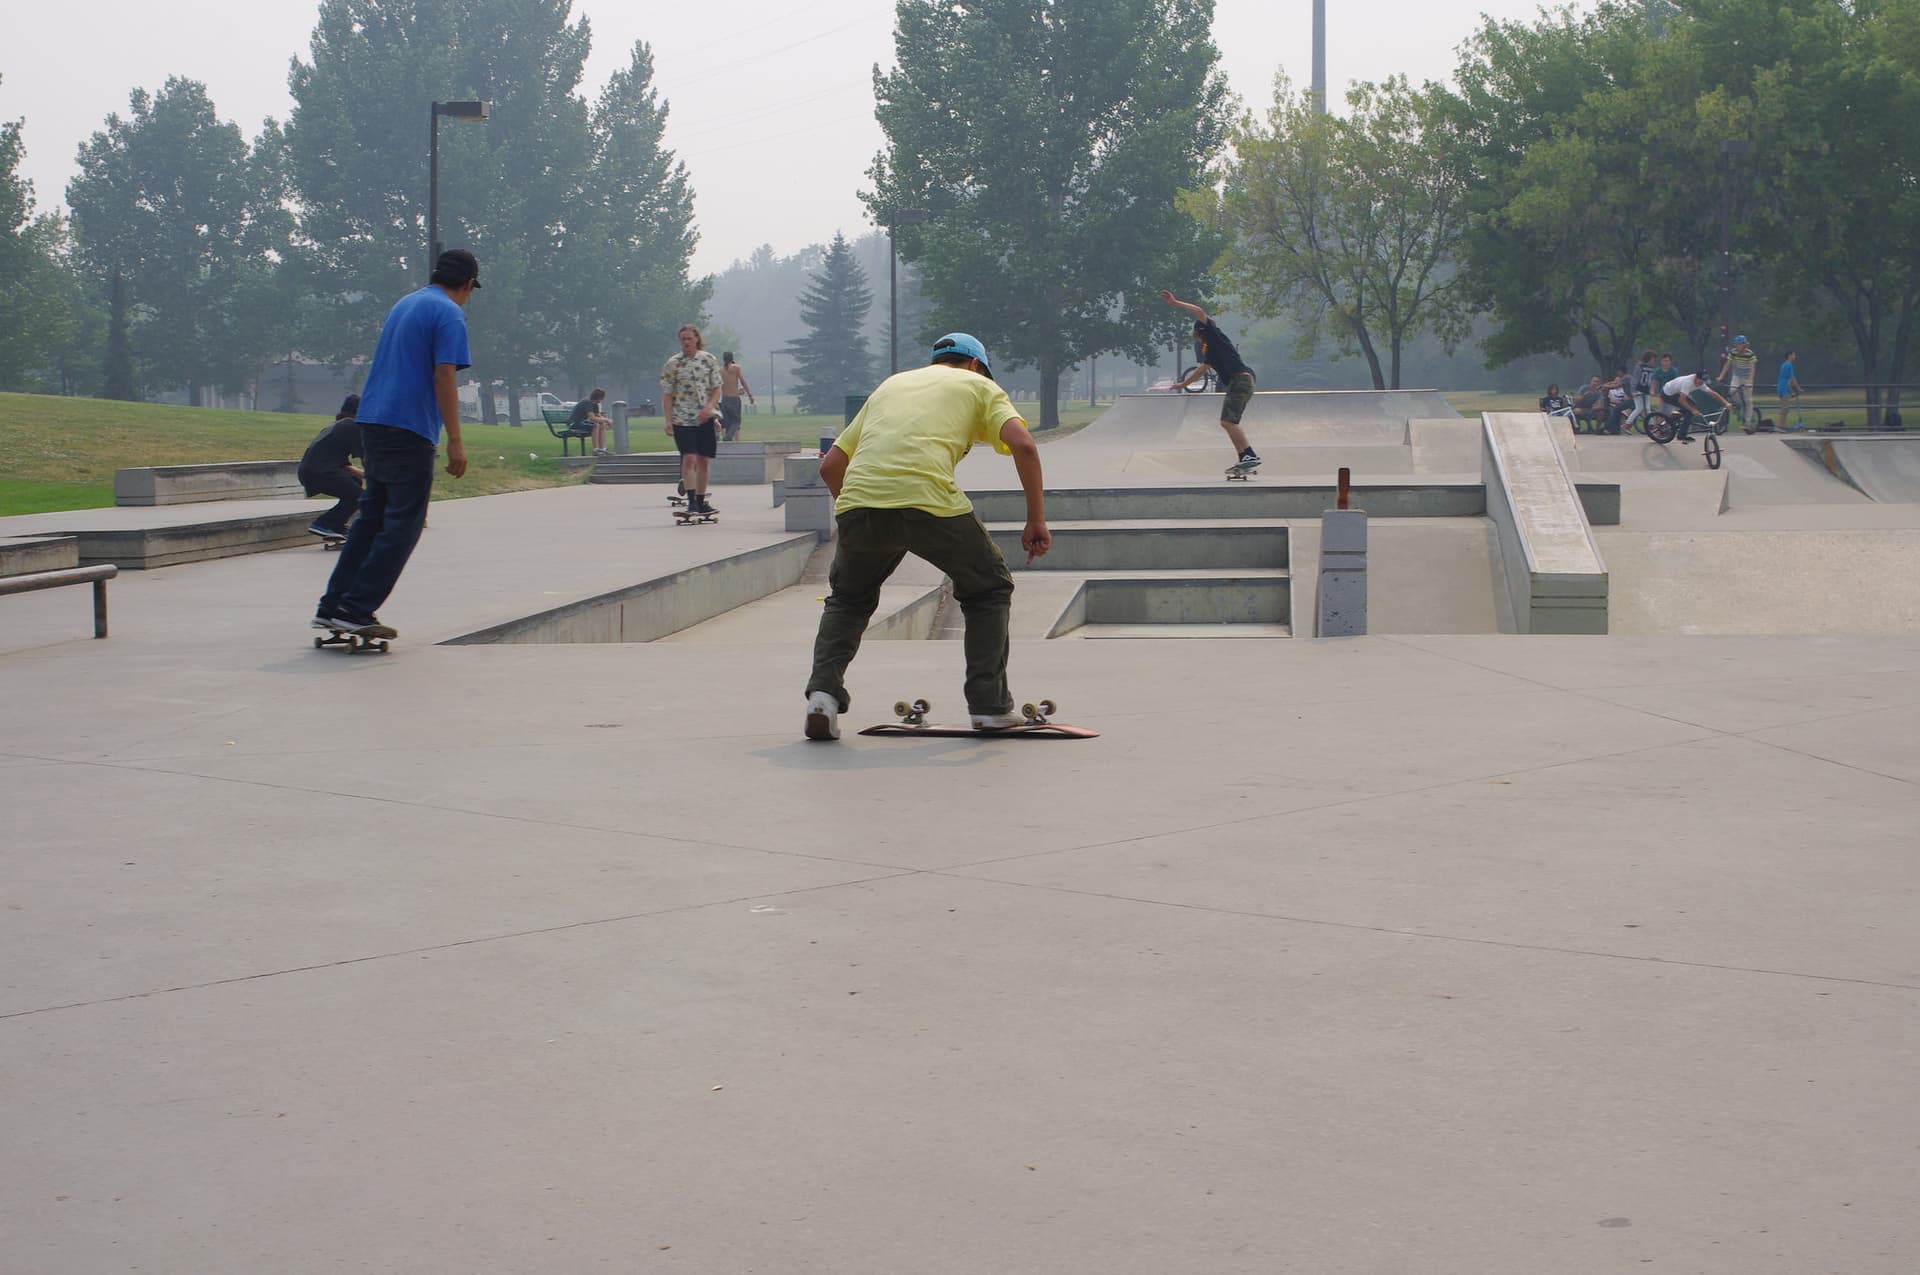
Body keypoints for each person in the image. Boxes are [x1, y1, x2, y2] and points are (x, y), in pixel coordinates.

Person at [803, 332, 1051, 741]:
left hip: (859, 502)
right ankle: (989, 705)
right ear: (976, 365)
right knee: (988, 589)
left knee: (848, 599)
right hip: (929, 502)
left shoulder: (891, 386)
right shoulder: (979, 385)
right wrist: (1036, 520)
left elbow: (830, 467)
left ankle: (822, 698)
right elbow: (1023, 445)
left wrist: (863, 518)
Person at [310, 248, 477, 639]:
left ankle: (332, 605)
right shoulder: (449, 313)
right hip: (408, 427)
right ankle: (356, 607)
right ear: (468, 284)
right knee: (404, 523)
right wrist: (455, 439)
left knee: (371, 519)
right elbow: (444, 375)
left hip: (373, 421)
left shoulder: (405, 304)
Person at [1159, 290, 1261, 471]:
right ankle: (1244, 458)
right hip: (1239, 382)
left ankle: (1249, 454)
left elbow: (1199, 311)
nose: (1199, 343)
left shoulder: (1214, 336)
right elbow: (1200, 371)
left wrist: (1175, 303)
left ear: (1201, 333)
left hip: (1240, 381)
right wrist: (1183, 384)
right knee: (1228, 422)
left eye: (1199, 339)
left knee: (1228, 422)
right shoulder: (1212, 351)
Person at [661, 324, 723, 515]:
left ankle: (702, 500)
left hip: (704, 417)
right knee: (689, 458)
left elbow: (717, 388)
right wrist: (668, 420)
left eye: (689, 338)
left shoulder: (708, 360)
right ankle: (691, 501)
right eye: (683, 339)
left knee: (703, 460)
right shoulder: (673, 364)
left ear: (696, 339)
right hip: (682, 418)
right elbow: (667, 394)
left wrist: (709, 407)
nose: (686, 342)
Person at [299, 393, 364, 539]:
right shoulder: (352, 426)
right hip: (321, 472)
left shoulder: (337, 426)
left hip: (310, 471)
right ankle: (323, 524)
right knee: (360, 496)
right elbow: (367, 459)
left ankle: (337, 526)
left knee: (355, 482)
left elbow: (346, 467)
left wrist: (368, 475)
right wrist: (379, 474)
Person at [1659, 368, 1732, 442]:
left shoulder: (1700, 383)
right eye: (1701, 381)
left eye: (1704, 381)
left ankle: (1675, 416)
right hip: (1667, 394)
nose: (1702, 383)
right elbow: (1681, 400)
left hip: (1676, 393)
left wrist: (1726, 403)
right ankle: (1681, 435)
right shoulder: (1687, 382)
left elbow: (1713, 394)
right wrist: (1693, 410)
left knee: (1693, 405)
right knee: (1690, 411)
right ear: (1696, 377)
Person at [1719, 335, 1759, 431]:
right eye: (1736, 344)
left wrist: (1750, 381)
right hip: (1737, 376)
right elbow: (1727, 364)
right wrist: (1721, 376)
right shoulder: (1733, 352)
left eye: (1739, 344)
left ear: (1744, 344)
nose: (1737, 346)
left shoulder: (1750, 353)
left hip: (1747, 378)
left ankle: (1748, 423)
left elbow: (1752, 367)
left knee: (1748, 400)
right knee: (1732, 391)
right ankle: (1739, 405)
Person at [719, 353, 755, 442]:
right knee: (736, 421)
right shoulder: (736, 368)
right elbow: (742, 381)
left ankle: (728, 441)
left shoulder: (720, 370)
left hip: (724, 399)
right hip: (734, 398)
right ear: (732, 358)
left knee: (728, 422)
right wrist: (750, 395)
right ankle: (728, 437)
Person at [571, 388, 612, 455]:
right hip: (576, 423)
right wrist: (607, 420)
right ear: (599, 397)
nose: (602, 399)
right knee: (595, 425)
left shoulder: (595, 404)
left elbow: (598, 416)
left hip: (583, 422)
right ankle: (595, 450)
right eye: (602, 398)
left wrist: (607, 422)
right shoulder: (588, 402)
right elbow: (592, 418)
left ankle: (602, 449)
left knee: (602, 424)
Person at [1626, 350, 1659, 432]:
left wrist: (1651, 389)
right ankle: (1627, 424)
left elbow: (1651, 380)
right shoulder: (1640, 366)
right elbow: (1635, 378)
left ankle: (1650, 425)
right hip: (1638, 389)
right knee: (1640, 408)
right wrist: (1633, 390)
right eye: (1653, 358)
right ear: (1649, 358)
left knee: (1646, 408)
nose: (1654, 361)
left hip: (1646, 390)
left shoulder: (1652, 368)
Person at [1777, 349, 1804, 430]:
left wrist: (1791, 392)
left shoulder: (1784, 364)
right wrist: (1798, 388)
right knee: (1784, 408)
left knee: (1785, 408)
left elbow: (1787, 380)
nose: (1795, 357)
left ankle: (1783, 426)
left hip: (1782, 387)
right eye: (1794, 355)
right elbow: (1792, 378)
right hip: (1783, 388)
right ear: (1789, 356)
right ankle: (1780, 426)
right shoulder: (1789, 365)